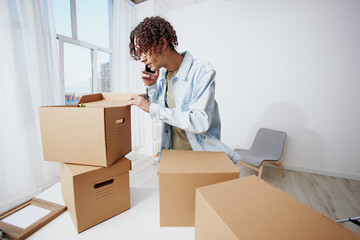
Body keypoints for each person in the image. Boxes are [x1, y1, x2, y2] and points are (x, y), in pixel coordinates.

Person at [127, 16, 240, 164]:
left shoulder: (201, 71)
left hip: (201, 156)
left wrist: (151, 107)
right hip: (173, 153)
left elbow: (200, 122)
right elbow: (158, 112)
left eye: (144, 50)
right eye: (138, 52)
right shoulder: (162, 76)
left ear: (162, 43)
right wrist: (151, 86)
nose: (141, 58)